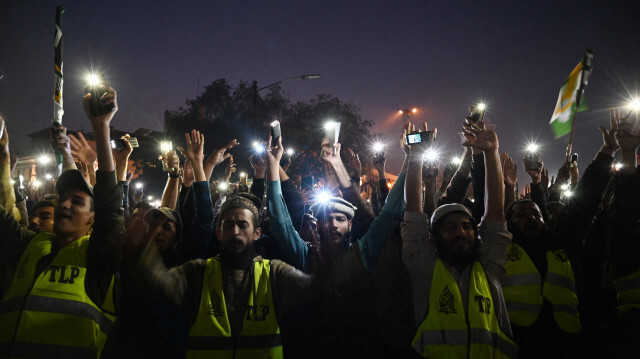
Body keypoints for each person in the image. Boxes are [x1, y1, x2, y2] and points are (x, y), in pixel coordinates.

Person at [0, 84, 123, 358]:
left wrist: (101, 127)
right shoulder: (30, 245)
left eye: (78, 202)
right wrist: (2, 152)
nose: (65, 204)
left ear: (93, 219)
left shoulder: (97, 256)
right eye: (63, 198)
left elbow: (111, 206)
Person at [128, 189, 312, 359]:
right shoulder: (197, 272)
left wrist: (332, 265)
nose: (235, 232)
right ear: (218, 233)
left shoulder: (274, 273)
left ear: (257, 233)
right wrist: (143, 255)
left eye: (242, 225)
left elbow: (314, 291)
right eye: (228, 225)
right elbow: (159, 285)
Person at [402, 121, 517, 358]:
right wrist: (415, 155)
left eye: (467, 227)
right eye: (451, 227)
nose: (461, 232)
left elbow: (495, 213)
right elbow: (414, 213)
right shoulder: (425, 267)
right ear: (433, 238)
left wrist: (492, 153)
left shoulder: (489, 267)